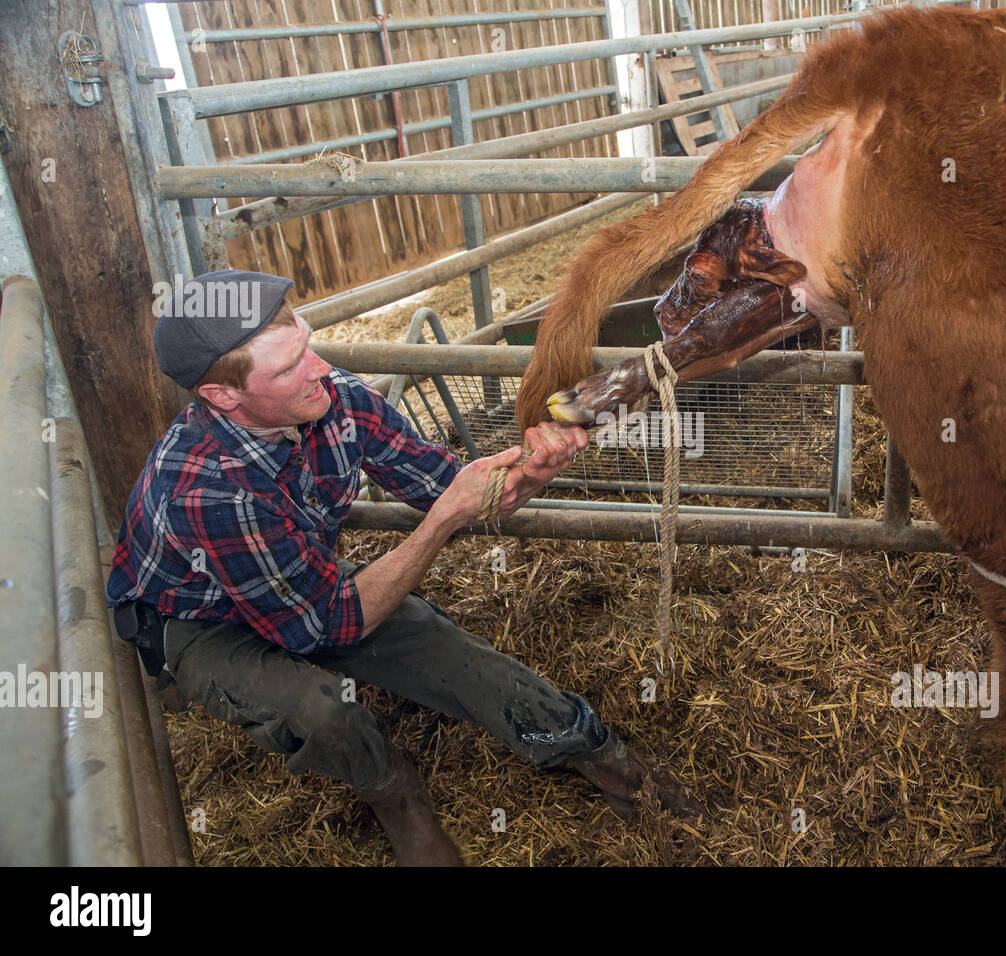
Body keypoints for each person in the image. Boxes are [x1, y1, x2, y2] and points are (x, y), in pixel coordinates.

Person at [106, 270, 700, 866]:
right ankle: (397, 796)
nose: (318, 367)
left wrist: (529, 472)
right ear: (223, 397)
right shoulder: (207, 488)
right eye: (287, 368)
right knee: (324, 711)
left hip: (310, 586)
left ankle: (612, 765)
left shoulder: (335, 398)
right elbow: (326, 629)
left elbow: (449, 487)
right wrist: (440, 522)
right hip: (205, 623)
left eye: (307, 343)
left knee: (466, 660)